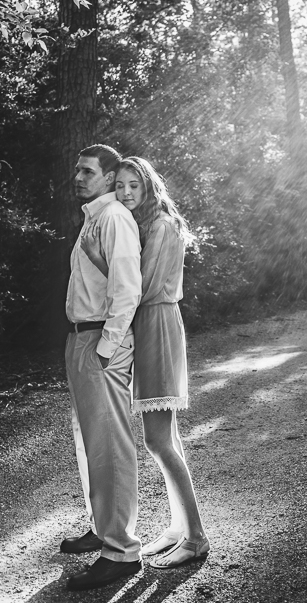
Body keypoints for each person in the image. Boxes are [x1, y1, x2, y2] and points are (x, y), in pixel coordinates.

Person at [114, 156, 209, 568]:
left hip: (156, 324)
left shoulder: (161, 226)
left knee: (157, 440)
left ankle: (197, 538)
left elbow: (144, 287)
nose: (125, 192)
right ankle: (178, 527)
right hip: (153, 324)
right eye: (120, 185)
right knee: (168, 438)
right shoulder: (147, 222)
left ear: (148, 185)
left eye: (133, 185)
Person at [60, 144, 143, 591]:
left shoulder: (113, 217)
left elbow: (127, 289)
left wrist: (106, 349)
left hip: (101, 342)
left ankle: (122, 551)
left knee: (110, 445)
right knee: (89, 442)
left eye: (88, 171)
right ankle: (103, 528)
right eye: (77, 170)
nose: (78, 177)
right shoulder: (93, 217)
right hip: (81, 337)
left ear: (109, 178)